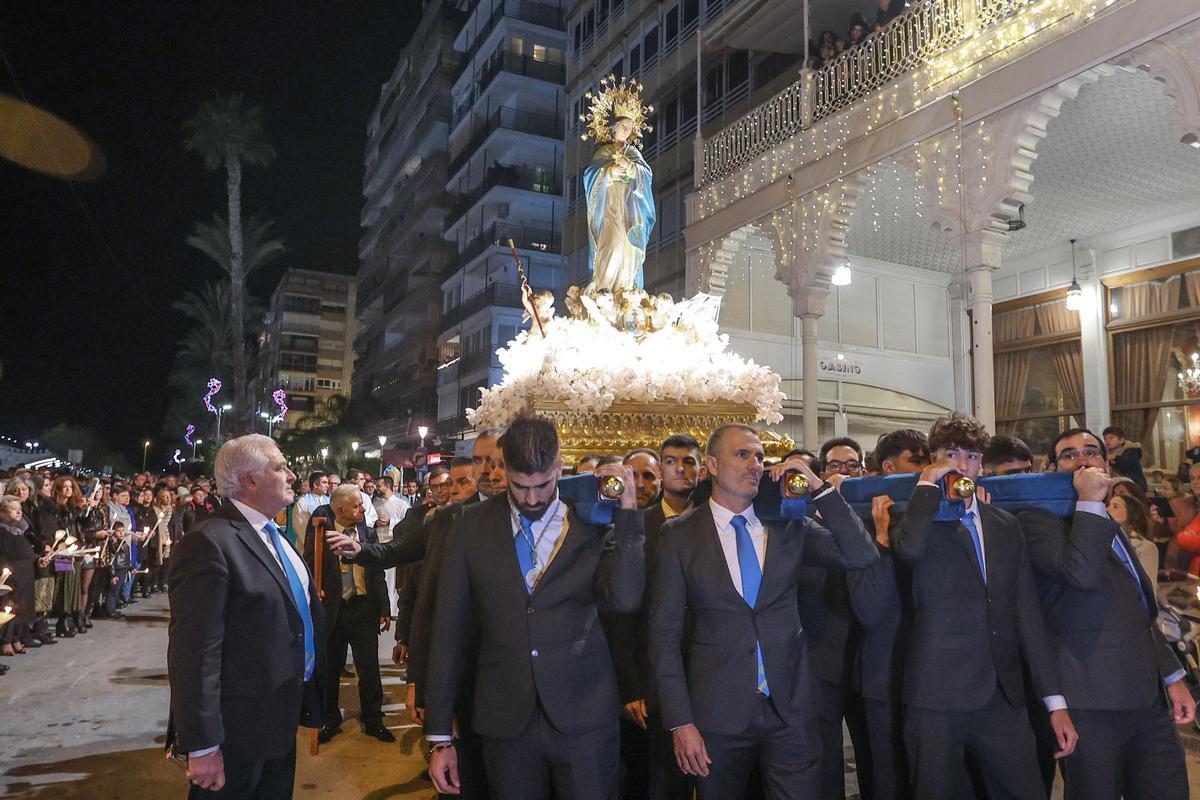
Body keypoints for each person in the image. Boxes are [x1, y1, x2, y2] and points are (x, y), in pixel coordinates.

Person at [649, 424, 878, 799]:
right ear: (711, 464)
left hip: (791, 711)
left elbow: (862, 555)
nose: (754, 464)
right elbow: (663, 635)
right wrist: (680, 722)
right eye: (742, 455)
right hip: (717, 714)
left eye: (759, 456)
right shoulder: (679, 535)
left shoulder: (788, 524)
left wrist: (819, 489)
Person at [424, 415, 645, 799]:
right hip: (504, 720)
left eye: (542, 485)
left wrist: (627, 512)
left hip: (585, 716)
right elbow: (448, 630)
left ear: (559, 467)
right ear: (503, 469)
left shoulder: (592, 520)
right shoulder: (468, 527)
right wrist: (440, 737)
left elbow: (626, 599)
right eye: (520, 486)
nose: (530, 498)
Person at [892, 412, 1075, 799]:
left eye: (972, 456)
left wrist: (1054, 702)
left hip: (1001, 695)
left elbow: (1027, 614)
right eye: (951, 454)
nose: (962, 465)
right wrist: (927, 485)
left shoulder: (1005, 524)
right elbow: (907, 551)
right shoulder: (914, 517)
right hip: (936, 695)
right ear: (933, 458)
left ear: (982, 465)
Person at [1022, 428, 1193, 799]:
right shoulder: (1038, 523)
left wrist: (1173, 677)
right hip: (1088, 702)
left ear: (1107, 463)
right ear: (1052, 469)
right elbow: (1080, 574)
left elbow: (1138, 607)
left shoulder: (1108, 521)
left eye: (1092, 452)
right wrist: (1088, 502)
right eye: (1069, 455)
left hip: (1147, 700)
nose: (1083, 460)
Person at [167, 435, 325, 799]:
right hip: (234, 730)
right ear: (250, 480)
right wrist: (203, 744)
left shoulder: (275, 535)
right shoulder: (210, 542)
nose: (292, 475)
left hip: (278, 720)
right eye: (280, 467)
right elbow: (194, 652)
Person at [607, 434, 704, 800]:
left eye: (689, 461)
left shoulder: (715, 518)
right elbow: (623, 614)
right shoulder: (635, 526)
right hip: (651, 676)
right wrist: (631, 685)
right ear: (662, 470)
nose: (681, 468)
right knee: (660, 780)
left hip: (709, 669)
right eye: (671, 461)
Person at [847, 428, 929, 800]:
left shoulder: (932, 514)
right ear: (888, 466)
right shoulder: (859, 520)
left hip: (933, 672)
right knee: (888, 776)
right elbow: (870, 609)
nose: (927, 469)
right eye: (918, 460)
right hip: (884, 670)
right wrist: (880, 540)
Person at [304, 484, 393, 744]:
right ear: (340, 510)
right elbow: (310, 564)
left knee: (369, 668)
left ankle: (374, 720)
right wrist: (314, 593)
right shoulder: (322, 531)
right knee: (330, 669)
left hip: (363, 608)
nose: (363, 509)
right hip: (333, 609)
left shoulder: (366, 533)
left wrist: (384, 608)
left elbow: (377, 572)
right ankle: (329, 720)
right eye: (357, 505)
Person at [583, 103, 656, 294]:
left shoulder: (633, 154)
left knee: (627, 249)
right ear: (614, 127)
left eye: (630, 127)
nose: (627, 130)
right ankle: (604, 290)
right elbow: (589, 177)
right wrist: (609, 172)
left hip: (629, 208)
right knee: (613, 247)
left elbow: (646, 175)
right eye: (624, 125)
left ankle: (624, 290)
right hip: (610, 207)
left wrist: (632, 168)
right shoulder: (603, 153)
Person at [1106, 491, 1158, 595]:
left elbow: (1148, 589)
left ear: (1130, 515)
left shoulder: (1146, 548)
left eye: (1115, 507)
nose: (1107, 510)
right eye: (1108, 505)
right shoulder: (1100, 541)